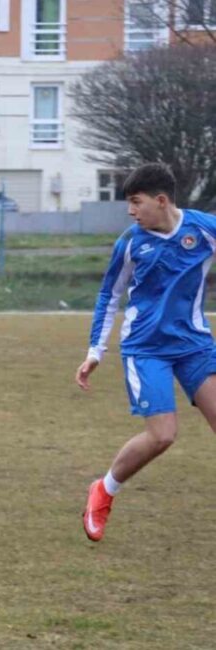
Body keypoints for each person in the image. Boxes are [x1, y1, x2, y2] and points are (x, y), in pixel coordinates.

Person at [77, 162, 216, 542]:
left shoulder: (204, 229)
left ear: (161, 200)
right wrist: (95, 351)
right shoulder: (131, 243)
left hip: (194, 344)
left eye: (136, 202)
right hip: (146, 349)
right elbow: (109, 296)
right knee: (162, 436)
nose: (130, 211)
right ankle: (104, 489)